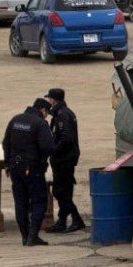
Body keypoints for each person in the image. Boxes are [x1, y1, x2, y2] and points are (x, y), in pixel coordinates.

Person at [2, 98, 55, 246]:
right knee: (39, 202)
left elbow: (5, 143)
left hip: (15, 167)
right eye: (46, 113)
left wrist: (7, 163)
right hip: (33, 168)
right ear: (42, 110)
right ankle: (33, 236)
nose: (46, 116)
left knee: (21, 202)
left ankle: (25, 236)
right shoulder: (40, 123)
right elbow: (47, 148)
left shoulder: (15, 120)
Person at [44, 88, 85, 234]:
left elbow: (66, 137)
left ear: (53, 100)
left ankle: (77, 219)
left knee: (60, 191)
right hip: (63, 159)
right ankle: (62, 221)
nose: (48, 102)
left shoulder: (63, 115)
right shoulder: (61, 114)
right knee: (63, 191)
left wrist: (54, 150)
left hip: (64, 159)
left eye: (49, 99)